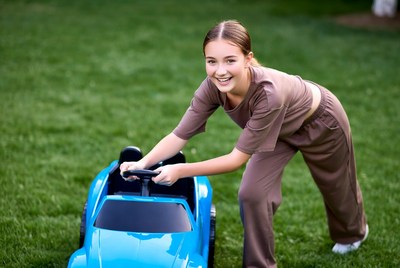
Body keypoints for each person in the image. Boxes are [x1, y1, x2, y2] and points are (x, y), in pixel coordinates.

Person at [120, 20, 368, 268]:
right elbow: (179, 135)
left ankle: (352, 233)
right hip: (275, 131)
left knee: (336, 184)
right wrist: (142, 163)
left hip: (319, 122)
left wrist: (180, 171)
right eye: (211, 61)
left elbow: (235, 160)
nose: (220, 71)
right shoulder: (211, 87)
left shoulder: (269, 94)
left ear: (248, 59)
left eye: (230, 60)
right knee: (252, 194)